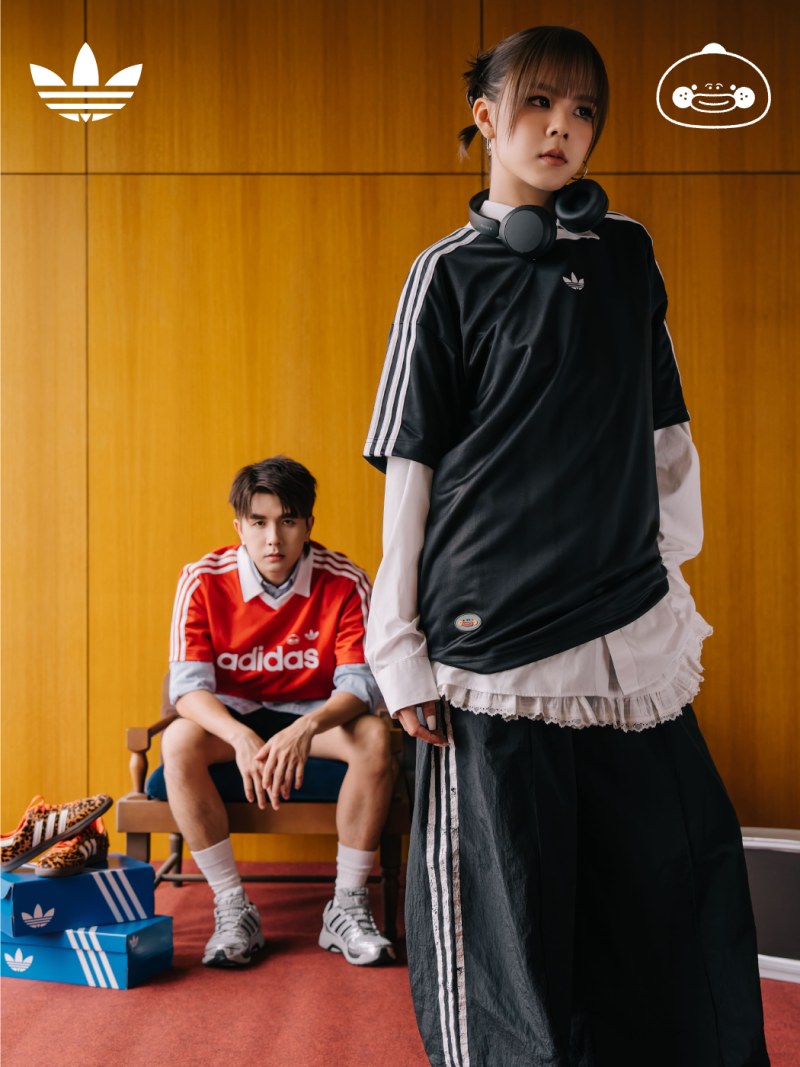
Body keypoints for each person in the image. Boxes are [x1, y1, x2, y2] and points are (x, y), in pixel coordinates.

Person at [363, 25, 768, 1067]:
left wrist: (664, 572)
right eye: (538, 102)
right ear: (486, 116)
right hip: (489, 643)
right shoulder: (443, 275)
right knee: (508, 916)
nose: (561, 126)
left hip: (623, 629)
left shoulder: (627, 254)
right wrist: (396, 646)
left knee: (674, 876)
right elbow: (409, 469)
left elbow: (662, 433)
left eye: (583, 110)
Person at [162, 455, 395, 969]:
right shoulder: (200, 579)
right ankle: (232, 906)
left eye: (288, 521)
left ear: (308, 524)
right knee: (176, 742)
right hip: (233, 717)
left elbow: (360, 685)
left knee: (377, 738)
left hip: (315, 717)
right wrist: (240, 736)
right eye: (259, 522)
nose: (274, 539)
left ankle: (347, 906)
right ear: (239, 526)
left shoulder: (344, 579)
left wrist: (306, 728)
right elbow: (187, 689)